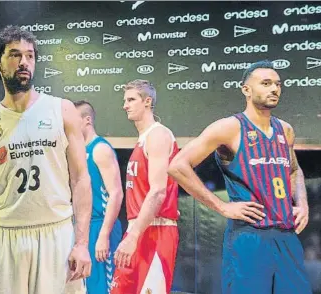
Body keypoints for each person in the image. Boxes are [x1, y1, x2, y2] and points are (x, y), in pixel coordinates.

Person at [0, 25, 92, 294]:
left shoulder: (63, 110)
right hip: (4, 237)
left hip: (55, 234)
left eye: (30, 55)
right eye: (14, 55)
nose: (24, 62)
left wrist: (82, 243)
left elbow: (81, 179)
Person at [168, 60, 311, 294]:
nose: (274, 89)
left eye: (277, 84)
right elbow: (177, 166)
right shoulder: (229, 127)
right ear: (246, 89)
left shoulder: (285, 129)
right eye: (265, 83)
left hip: (286, 236)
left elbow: (294, 169)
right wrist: (222, 207)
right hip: (249, 236)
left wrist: (302, 204)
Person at [111, 80, 180, 294]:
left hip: (156, 230)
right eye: (125, 100)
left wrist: (133, 236)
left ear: (147, 101)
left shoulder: (158, 135)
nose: (125, 105)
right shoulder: (142, 139)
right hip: (138, 228)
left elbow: (158, 191)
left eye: (131, 99)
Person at [74, 100, 123, 294]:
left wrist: (103, 236)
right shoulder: (78, 152)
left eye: (73, 119)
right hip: (83, 227)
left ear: (87, 120)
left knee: (102, 288)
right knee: (84, 287)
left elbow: (116, 194)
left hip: (101, 226)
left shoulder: (100, 149)